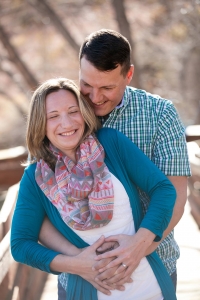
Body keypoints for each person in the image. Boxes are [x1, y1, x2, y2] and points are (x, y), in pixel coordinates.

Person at [39, 29, 191, 297]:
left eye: (107, 87)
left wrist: (137, 248)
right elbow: (38, 205)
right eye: (87, 84)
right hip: (80, 276)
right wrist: (80, 260)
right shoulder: (58, 115)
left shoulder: (160, 115)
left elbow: (175, 193)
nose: (95, 98)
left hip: (154, 266)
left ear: (128, 74)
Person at [11, 78, 177, 300]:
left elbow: (163, 189)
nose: (67, 123)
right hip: (87, 293)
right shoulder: (35, 177)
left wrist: (139, 243)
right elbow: (21, 244)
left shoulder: (111, 143)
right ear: (40, 123)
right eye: (53, 116)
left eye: (73, 111)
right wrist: (78, 264)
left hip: (151, 287)